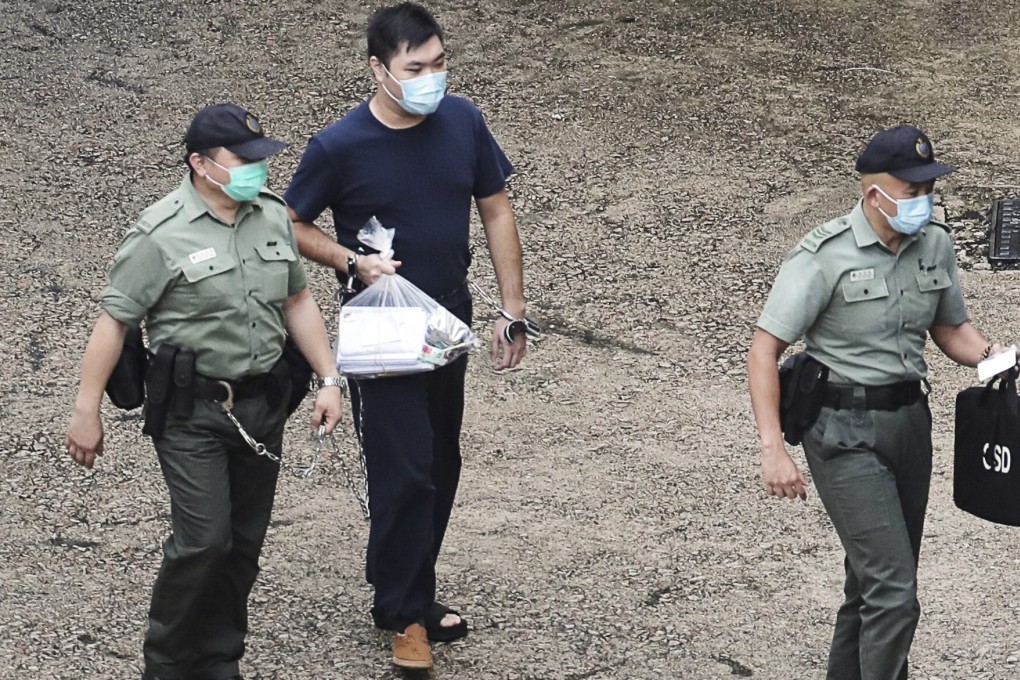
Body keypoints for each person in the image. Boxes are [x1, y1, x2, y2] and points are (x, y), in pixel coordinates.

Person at [283, 2, 528, 670]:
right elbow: (290, 222)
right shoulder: (340, 145)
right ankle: (401, 614)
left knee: (440, 463)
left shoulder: (463, 121)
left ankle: (415, 588)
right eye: (415, 67)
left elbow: (497, 209)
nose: (431, 77)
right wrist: (348, 260)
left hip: (446, 315)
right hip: (382, 323)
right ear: (378, 69)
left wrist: (512, 307)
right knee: (404, 471)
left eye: (439, 62)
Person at [64, 103, 345, 680]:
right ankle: (167, 663)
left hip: (263, 406)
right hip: (192, 414)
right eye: (242, 161)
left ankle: (219, 659)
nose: (256, 172)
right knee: (203, 541)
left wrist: (328, 378)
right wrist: (85, 409)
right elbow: (114, 321)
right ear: (199, 164)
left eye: (260, 160)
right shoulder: (160, 233)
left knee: (242, 545)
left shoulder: (270, 217)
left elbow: (298, 301)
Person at [747, 124, 1010, 680]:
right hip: (843, 433)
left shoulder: (933, 240)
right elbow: (764, 350)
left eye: (928, 189)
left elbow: (952, 327)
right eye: (913, 191)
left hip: (910, 424)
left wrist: (998, 357)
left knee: (870, 586)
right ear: (875, 195)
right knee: (895, 595)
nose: (925, 201)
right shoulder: (823, 257)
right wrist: (773, 448)